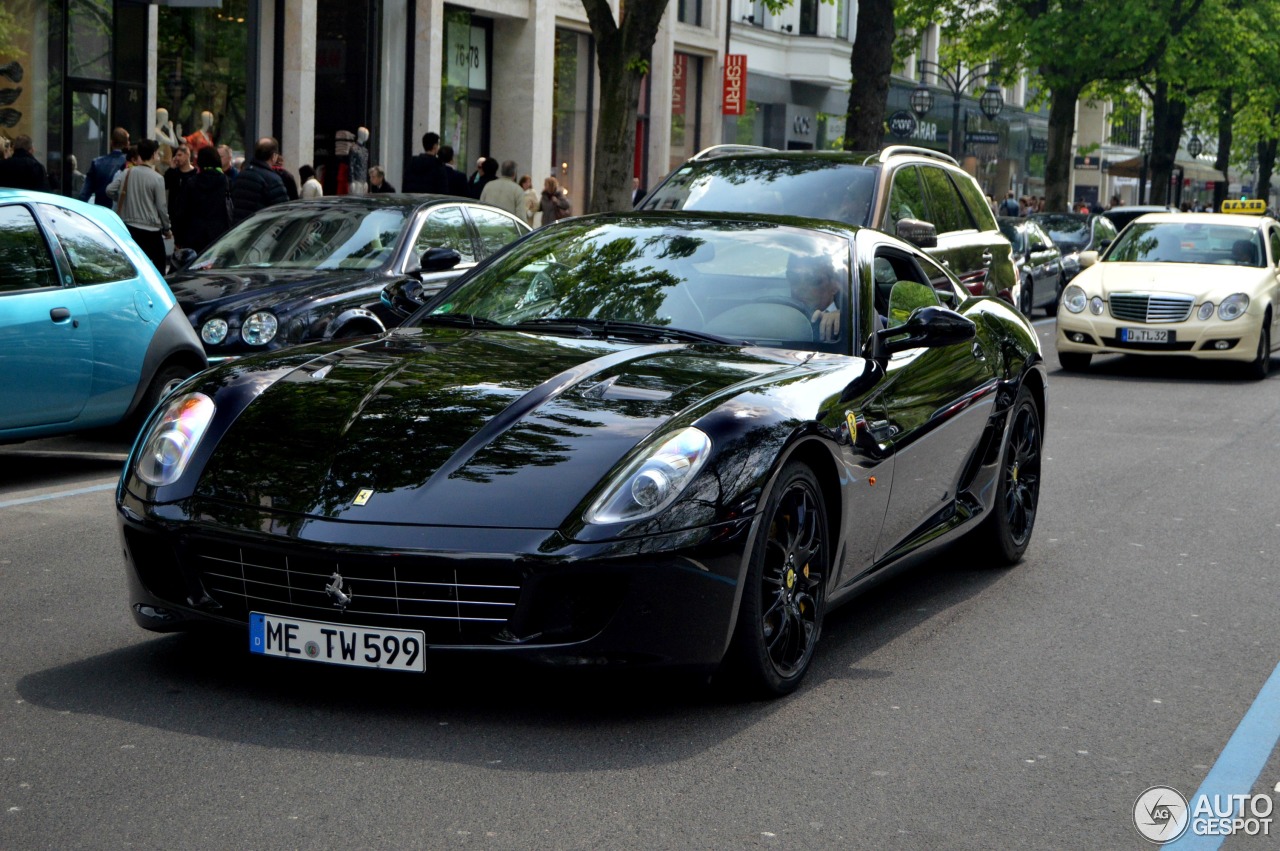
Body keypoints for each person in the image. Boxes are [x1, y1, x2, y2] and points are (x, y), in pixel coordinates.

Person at [106, 138, 171, 272]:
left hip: (129, 227)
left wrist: (121, 199)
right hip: (151, 231)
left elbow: (109, 190)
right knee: (158, 268)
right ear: (153, 154)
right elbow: (161, 207)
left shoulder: (127, 172)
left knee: (131, 268)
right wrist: (167, 227)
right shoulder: (157, 178)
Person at [229, 137, 289, 224]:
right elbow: (282, 211)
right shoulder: (273, 180)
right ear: (274, 156)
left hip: (239, 231)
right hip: (260, 232)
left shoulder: (241, 175)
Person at [786, 253, 844, 342]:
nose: (800, 288)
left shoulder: (848, 325)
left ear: (835, 285)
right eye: (794, 278)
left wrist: (844, 320)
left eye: (813, 280)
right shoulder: (780, 318)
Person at [184, 146, 232, 254]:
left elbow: (183, 210)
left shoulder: (191, 182)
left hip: (194, 235)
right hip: (219, 234)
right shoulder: (226, 182)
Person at [79, 127, 130, 205]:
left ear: (111, 142)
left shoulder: (97, 163)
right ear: (127, 144)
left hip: (101, 209)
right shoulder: (129, 163)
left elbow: (85, 193)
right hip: (121, 211)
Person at [164, 142, 199, 249]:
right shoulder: (174, 173)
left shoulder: (195, 173)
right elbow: (165, 184)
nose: (177, 158)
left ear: (187, 154)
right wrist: (171, 168)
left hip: (190, 215)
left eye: (179, 155)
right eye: (175, 156)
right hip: (174, 215)